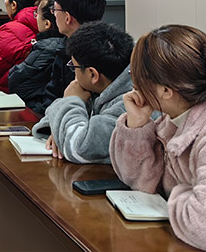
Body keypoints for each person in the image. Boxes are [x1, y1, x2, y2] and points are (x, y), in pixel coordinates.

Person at [110, 25, 206, 251]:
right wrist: (137, 125)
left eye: (136, 77)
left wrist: (177, 193)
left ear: (166, 91)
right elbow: (143, 182)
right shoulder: (175, 120)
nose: (134, 85)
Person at [32, 21, 133, 164]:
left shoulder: (130, 104)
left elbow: (79, 148)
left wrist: (71, 100)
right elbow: (45, 123)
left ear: (93, 74)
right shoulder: (98, 87)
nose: (74, 73)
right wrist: (62, 132)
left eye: (74, 66)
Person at [28, 0, 106, 115]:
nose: (53, 14)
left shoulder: (99, 56)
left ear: (68, 18)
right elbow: (51, 98)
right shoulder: (64, 48)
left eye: (54, 10)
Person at [8, 0, 65, 103]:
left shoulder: (45, 48)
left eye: (36, 14)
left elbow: (16, 80)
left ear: (47, 23)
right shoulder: (66, 43)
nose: (35, 18)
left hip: (37, 108)